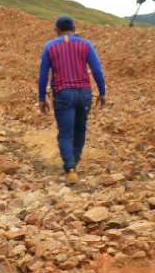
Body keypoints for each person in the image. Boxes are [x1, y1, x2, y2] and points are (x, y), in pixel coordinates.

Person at [38, 16, 106, 184]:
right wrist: (102, 92)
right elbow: (97, 70)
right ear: (74, 29)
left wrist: (41, 97)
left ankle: (70, 168)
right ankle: (74, 161)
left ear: (57, 30)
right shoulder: (86, 44)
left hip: (63, 94)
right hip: (84, 94)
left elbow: (43, 74)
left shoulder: (50, 46)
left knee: (66, 132)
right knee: (80, 129)